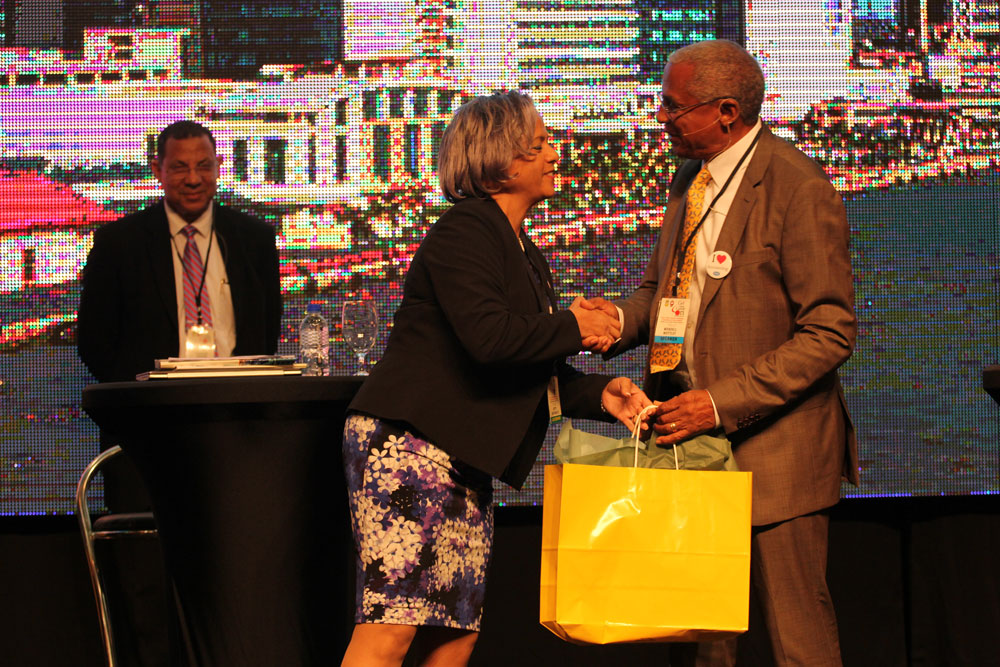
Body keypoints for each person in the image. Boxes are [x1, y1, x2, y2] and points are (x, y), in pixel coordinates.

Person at [340, 90, 650, 667]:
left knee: (456, 632)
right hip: (411, 448)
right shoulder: (465, 230)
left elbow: (526, 361)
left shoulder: (521, 248)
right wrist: (575, 325)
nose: (555, 154)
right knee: (393, 626)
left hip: (461, 457)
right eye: (540, 144)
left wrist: (599, 393)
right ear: (502, 160)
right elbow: (489, 338)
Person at [584, 40, 859, 665]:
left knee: (798, 641)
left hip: (778, 453)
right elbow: (666, 291)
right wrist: (615, 320)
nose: (660, 117)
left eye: (673, 106)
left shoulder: (798, 188)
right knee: (704, 643)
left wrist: (718, 403)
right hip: (690, 448)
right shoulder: (690, 177)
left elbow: (829, 332)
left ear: (727, 112)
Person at [78, 119, 282, 384]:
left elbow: (267, 334)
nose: (193, 179)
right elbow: (94, 342)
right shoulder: (118, 243)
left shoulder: (255, 239)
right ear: (157, 170)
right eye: (180, 168)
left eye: (204, 166)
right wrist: (135, 397)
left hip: (239, 401)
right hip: (151, 404)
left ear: (219, 167)